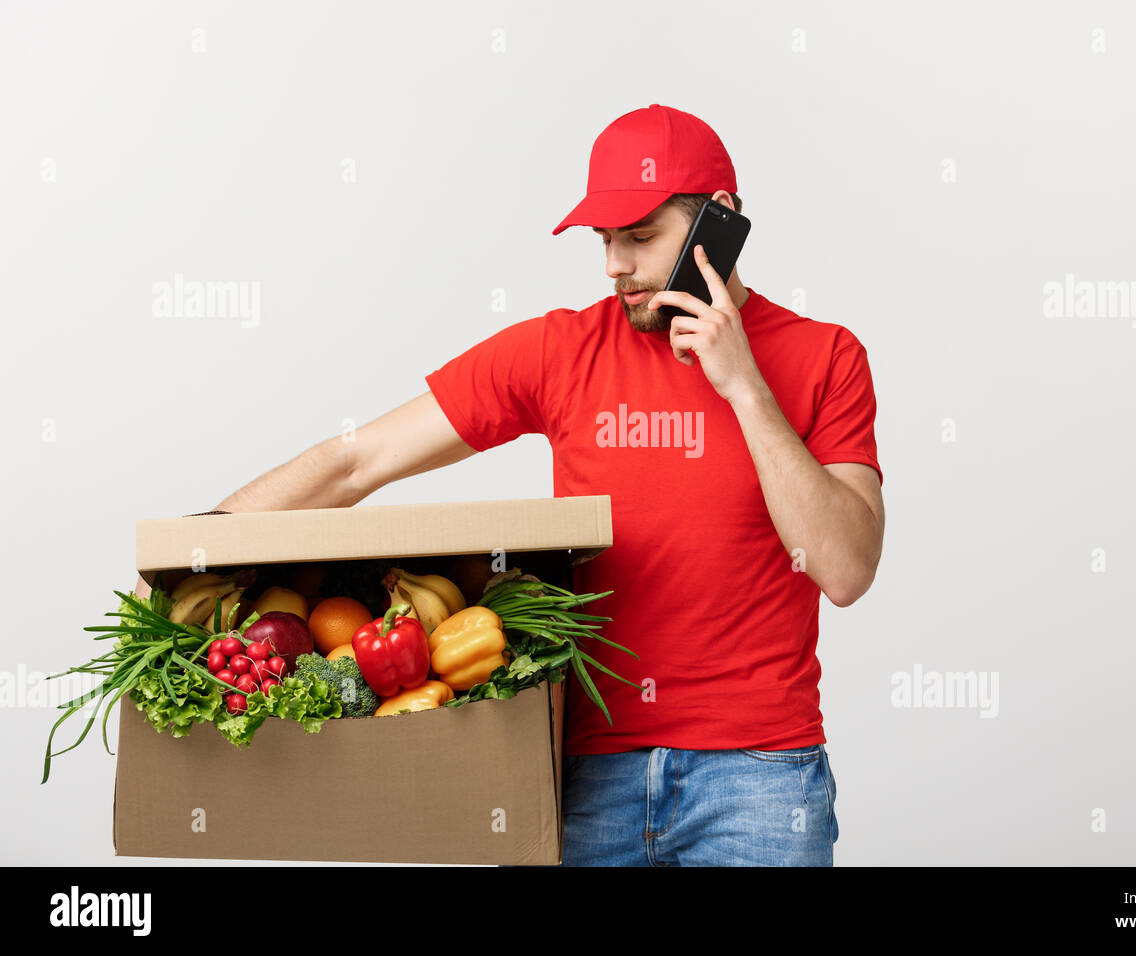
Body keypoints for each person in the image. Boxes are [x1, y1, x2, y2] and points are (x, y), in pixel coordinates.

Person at [136, 104, 884, 866]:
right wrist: (186, 554)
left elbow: (846, 568)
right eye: (605, 241)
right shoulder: (562, 351)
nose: (614, 266)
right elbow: (360, 460)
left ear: (718, 223)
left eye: (641, 237)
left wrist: (746, 389)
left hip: (759, 780)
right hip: (581, 776)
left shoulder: (826, 358)